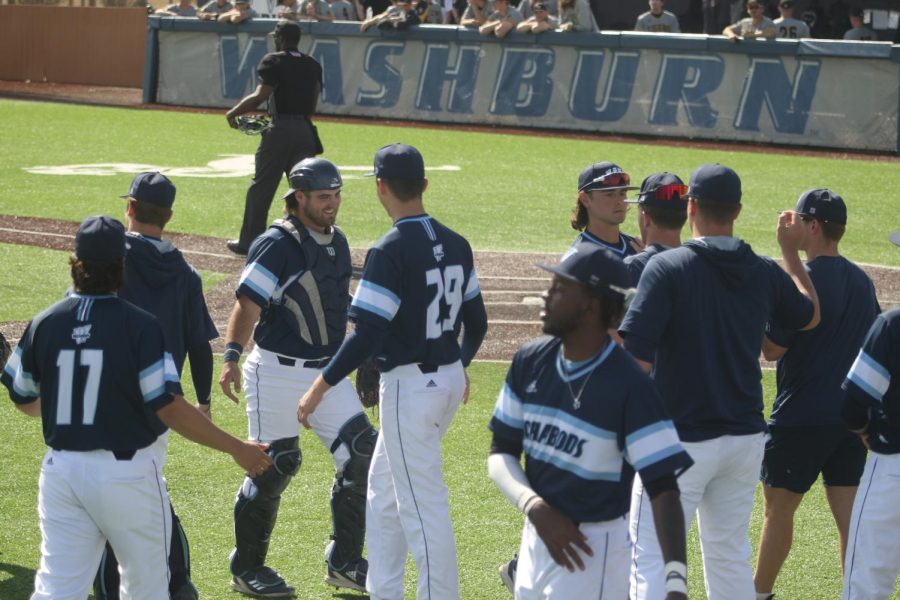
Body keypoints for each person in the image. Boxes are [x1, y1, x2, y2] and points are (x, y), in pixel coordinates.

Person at [0, 215, 272, 600]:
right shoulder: (140, 326)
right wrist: (237, 448)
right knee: (146, 587)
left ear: (74, 262)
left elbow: (23, 398)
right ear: (121, 266)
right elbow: (170, 408)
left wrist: (77, 404)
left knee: (57, 587)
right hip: (125, 474)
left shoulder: (45, 322)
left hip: (61, 472)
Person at [296, 143, 489, 600]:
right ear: (423, 184)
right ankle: (384, 591)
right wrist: (457, 368)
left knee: (423, 508)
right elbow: (477, 323)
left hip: (409, 388)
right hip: (444, 381)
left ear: (381, 187)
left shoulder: (391, 250)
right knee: (384, 493)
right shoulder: (457, 242)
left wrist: (319, 388)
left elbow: (365, 337)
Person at [620, 163, 820, 600]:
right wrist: (791, 255)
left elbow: (635, 360)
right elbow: (809, 313)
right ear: (738, 210)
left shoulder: (668, 267)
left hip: (679, 438)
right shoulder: (763, 269)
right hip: (744, 437)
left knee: (653, 558)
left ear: (691, 206)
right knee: (729, 557)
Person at [488, 242, 693, 600]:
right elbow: (500, 452)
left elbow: (663, 487)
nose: (546, 296)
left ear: (590, 305)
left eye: (560, 288)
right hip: (536, 536)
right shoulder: (530, 361)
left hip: (592, 553)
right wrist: (533, 506)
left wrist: (675, 580)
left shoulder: (631, 387)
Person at [218, 158, 376, 597]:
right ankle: (247, 568)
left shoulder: (337, 242)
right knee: (274, 466)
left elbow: (336, 300)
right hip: (275, 372)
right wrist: (230, 354)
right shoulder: (276, 244)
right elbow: (247, 302)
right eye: (324, 197)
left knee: (364, 453)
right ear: (299, 197)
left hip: (325, 374)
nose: (333, 204)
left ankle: (344, 561)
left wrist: (366, 353)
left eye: (337, 195)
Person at [93, 173, 220, 600]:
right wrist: (203, 400)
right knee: (149, 491)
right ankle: (178, 582)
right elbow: (201, 345)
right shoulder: (185, 272)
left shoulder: (110, 259)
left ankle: (119, 590)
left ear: (129, 207)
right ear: (168, 215)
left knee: (102, 505)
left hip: (104, 401)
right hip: (162, 407)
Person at [752, 189, 879, 600]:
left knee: (778, 512)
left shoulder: (797, 281)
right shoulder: (861, 281)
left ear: (814, 226)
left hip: (799, 418)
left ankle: (759, 594)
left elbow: (772, 350)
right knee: (849, 519)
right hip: (849, 420)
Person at [225, 20, 322, 256]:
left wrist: (234, 112)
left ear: (279, 38)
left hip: (280, 130)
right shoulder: (312, 64)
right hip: (305, 129)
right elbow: (313, 101)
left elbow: (261, 95)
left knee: (262, 187)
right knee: (304, 189)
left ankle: (250, 241)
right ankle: (312, 240)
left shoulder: (273, 60)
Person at [841, 307, 900, 599]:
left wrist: (865, 430)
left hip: (893, 470)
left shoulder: (893, 324)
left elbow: (852, 404)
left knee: (868, 584)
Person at [622, 172, 688, 286]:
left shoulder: (632, 267)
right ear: (686, 215)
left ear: (646, 218)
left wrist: (644, 258)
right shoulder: (700, 264)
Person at [567, 161, 641, 259]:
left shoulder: (637, 248)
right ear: (585, 199)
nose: (620, 201)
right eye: (609, 194)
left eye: (622, 193)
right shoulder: (578, 259)